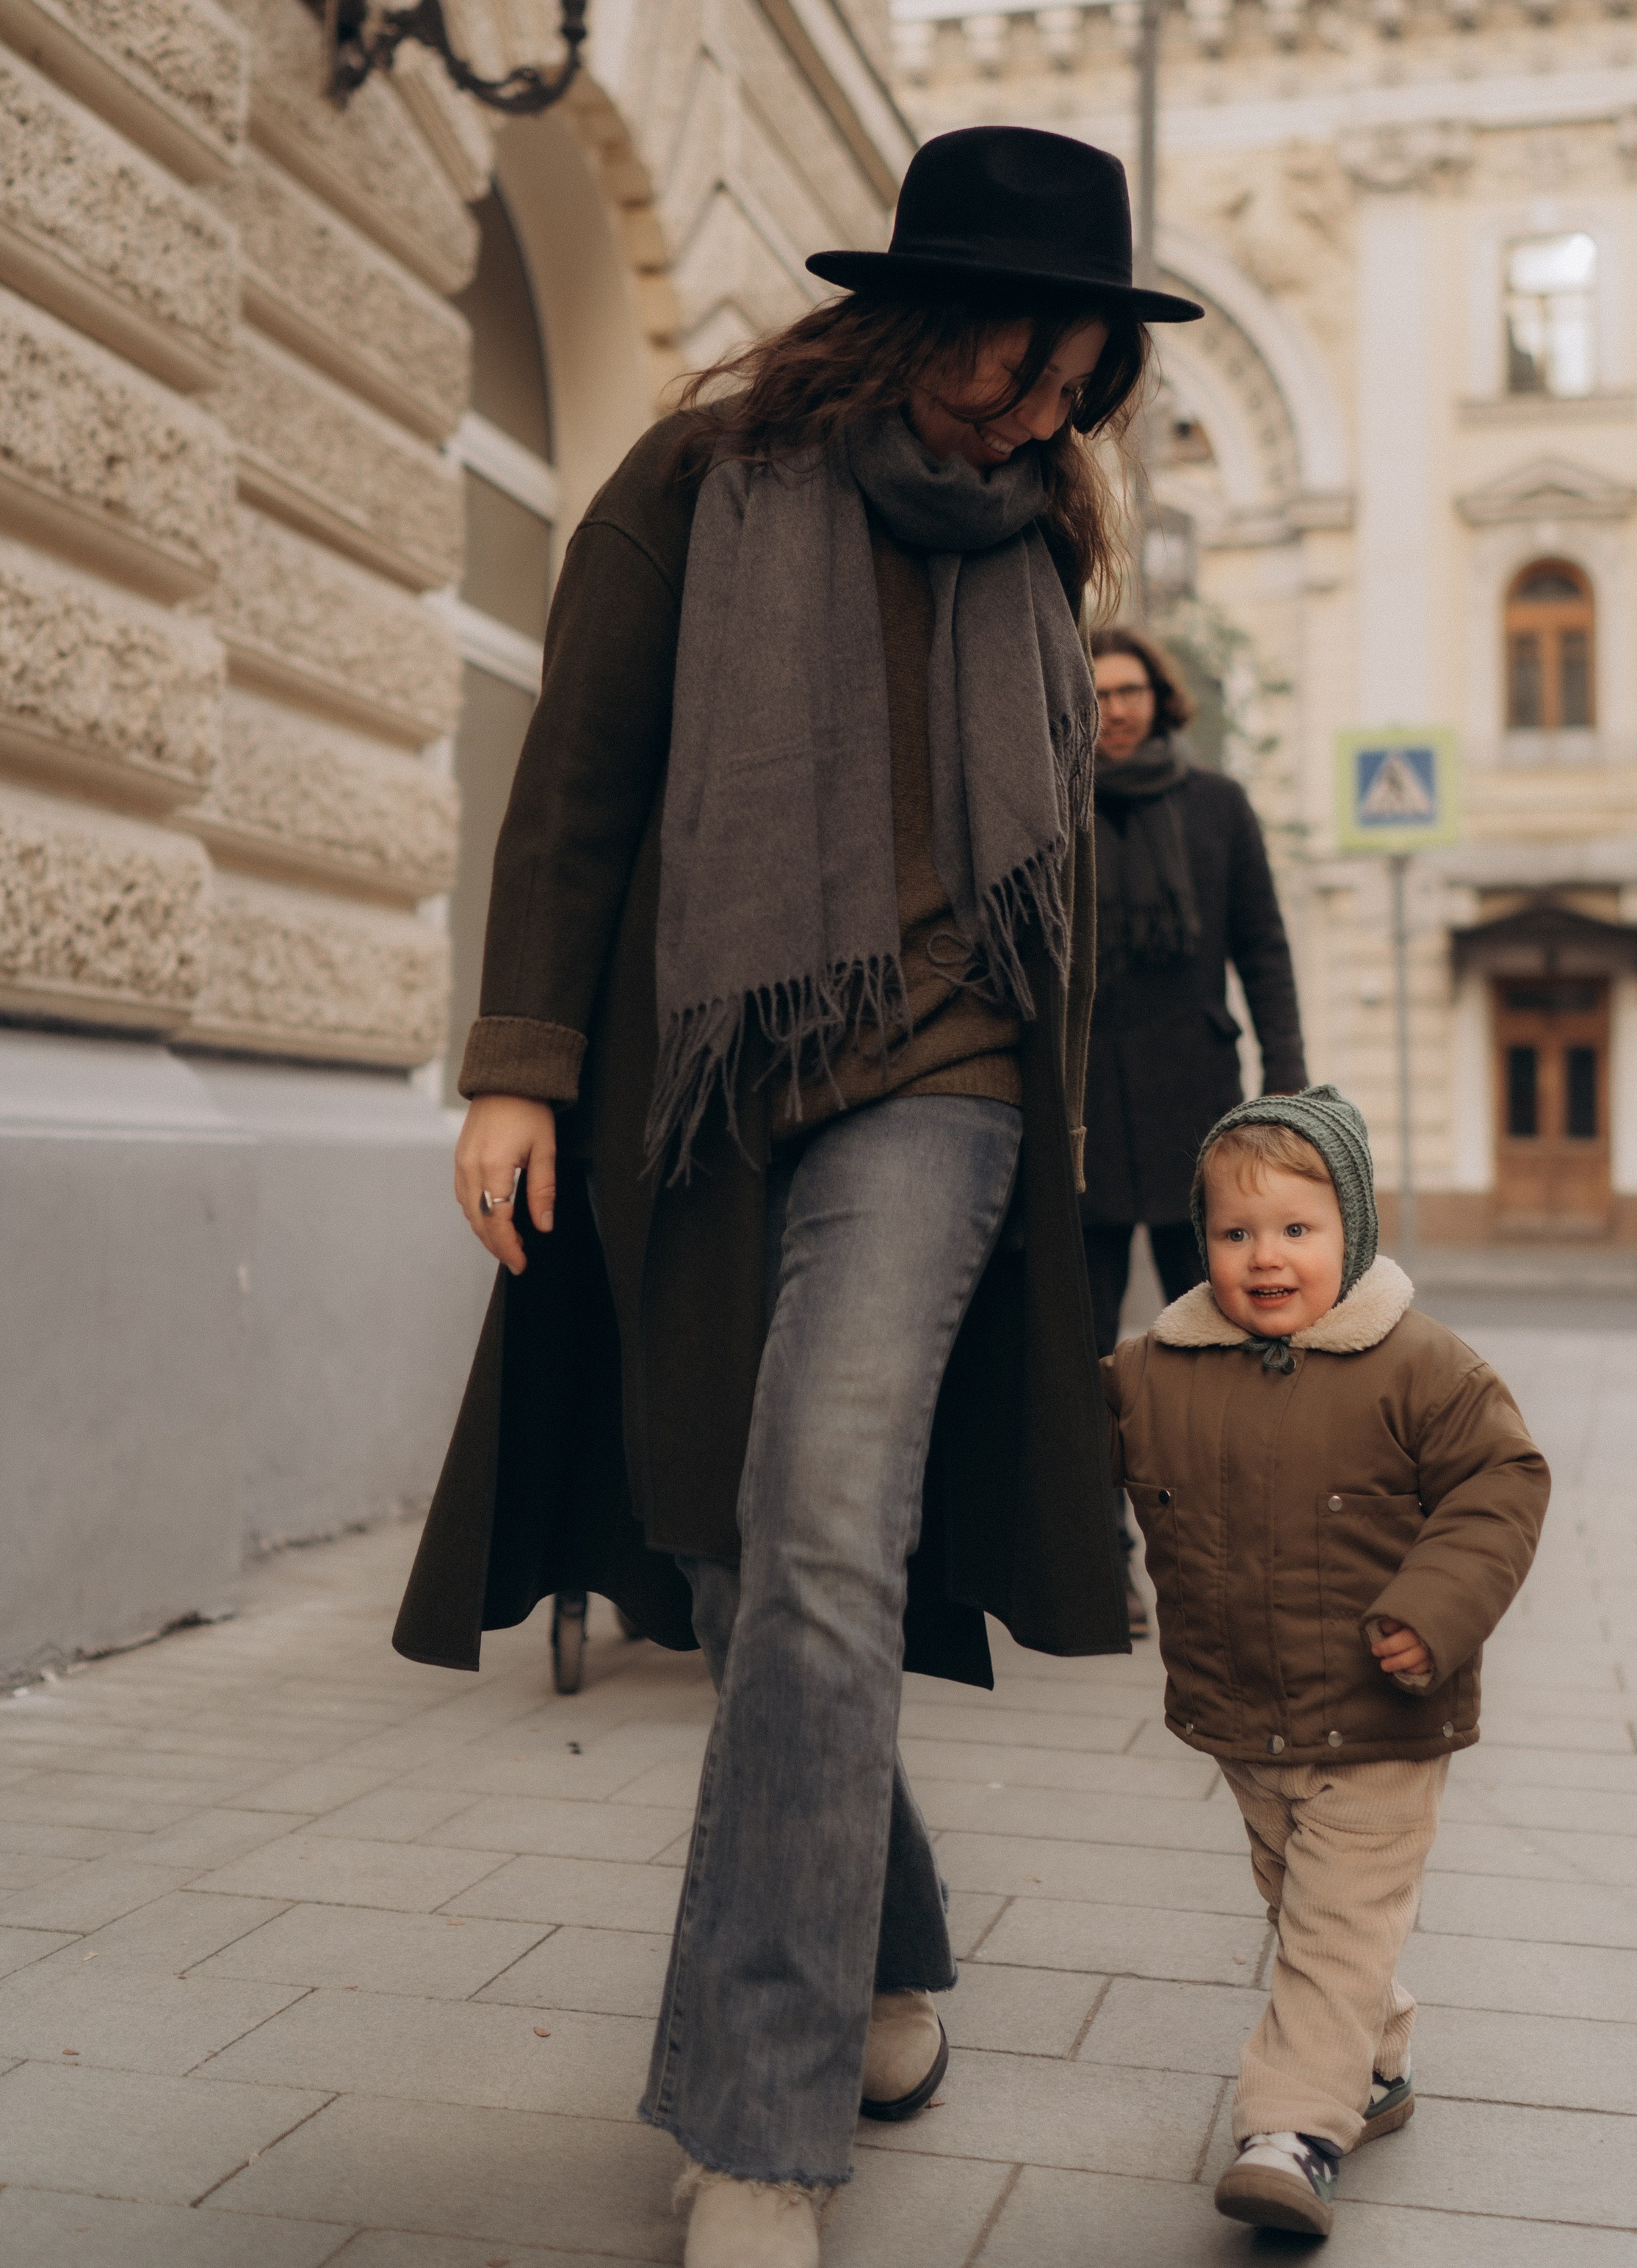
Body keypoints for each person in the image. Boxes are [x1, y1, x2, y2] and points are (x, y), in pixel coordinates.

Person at [392, 125, 1204, 2267]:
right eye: (1016, 362)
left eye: (1072, 383)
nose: (1038, 408)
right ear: (912, 315)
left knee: (828, 1518)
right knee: (748, 1561)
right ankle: (891, 1951)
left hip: (944, 1094)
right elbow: (575, 774)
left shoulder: (1039, 540)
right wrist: (518, 1068)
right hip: (710, 1080)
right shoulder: (701, 482)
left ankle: (756, 2120)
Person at [1102, 1086, 1550, 2240]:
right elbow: (1064, 1448)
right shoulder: (1157, 1370)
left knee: (1334, 1924)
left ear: (1351, 1230)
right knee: (1310, 1913)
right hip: (1244, 1720)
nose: (1265, 1259)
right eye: (1236, 1232)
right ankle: (1377, 2064)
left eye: (1297, 1230)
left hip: (1384, 1718)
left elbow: (1502, 1487)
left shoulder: (1419, 1366)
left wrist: (1434, 1612)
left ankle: (1293, 2130)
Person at [1082, 622, 1306, 1353]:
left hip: (1195, 1095)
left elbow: (1263, 952)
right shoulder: (1053, 808)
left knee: (1210, 1317)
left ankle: (1209, 1465)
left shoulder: (1219, 804)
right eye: (1099, 694)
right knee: (1083, 1329)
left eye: (1130, 691)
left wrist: (1286, 1089)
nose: (1116, 710)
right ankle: (1092, 1468)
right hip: (1088, 1107)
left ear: (1159, 698)